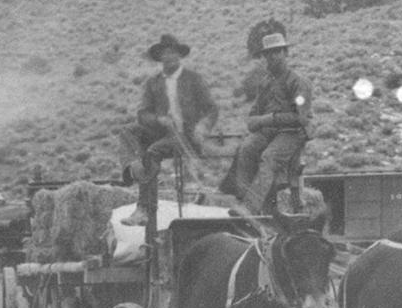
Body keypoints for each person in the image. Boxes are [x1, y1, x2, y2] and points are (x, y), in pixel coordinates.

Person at [118, 33, 220, 227]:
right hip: (161, 132)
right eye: (165, 53)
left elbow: (211, 109)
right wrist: (159, 119)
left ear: (179, 56)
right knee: (127, 131)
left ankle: (145, 209)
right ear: (160, 57)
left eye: (173, 53)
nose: (169, 57)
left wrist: (202, 127)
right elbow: (142, 113)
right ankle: (132, 168)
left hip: (185, 136)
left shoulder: (193, 79)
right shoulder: (153, 83)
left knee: (152, 152)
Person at [227, 32, 313, 215]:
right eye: (268, 53)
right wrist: (256, 121)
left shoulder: (298, 82)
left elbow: (301, 118)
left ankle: (250, 208)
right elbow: (254, 113)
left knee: (269, 157)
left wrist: (269, 119)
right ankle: (243, 200)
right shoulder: (265, 83)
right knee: (246, 148)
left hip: (293, 132)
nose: (272, 57)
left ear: (285, 53)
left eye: (276, 51)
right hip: (270, 132)